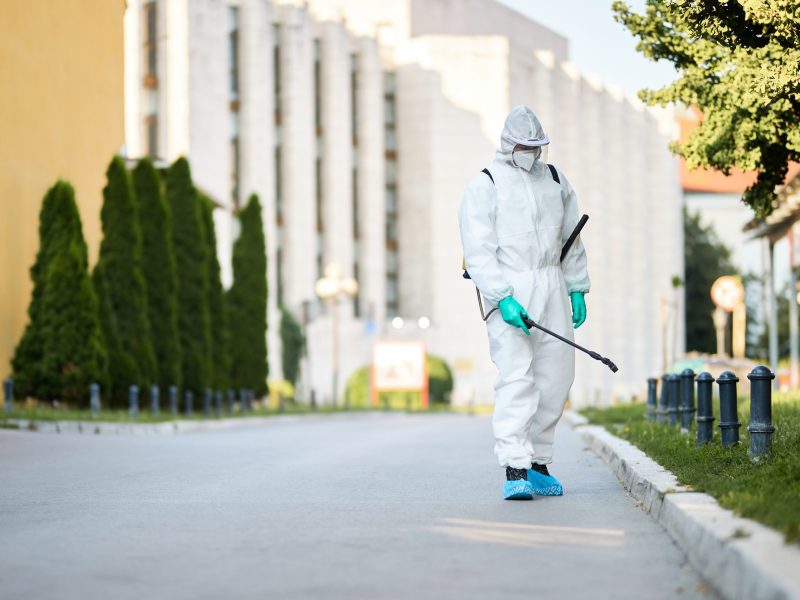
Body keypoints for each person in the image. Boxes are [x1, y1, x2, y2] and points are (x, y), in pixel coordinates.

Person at [458, 105, 590, 500]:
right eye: (524, 145)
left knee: (556, 376)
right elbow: (478, 250)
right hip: (509, 288)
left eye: (536, 146)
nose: (531, 153)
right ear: (508, 144)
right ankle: (515, 466)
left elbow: (571, 239)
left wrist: (577, 286)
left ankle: (538, 462)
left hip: (551, 283)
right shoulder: (486, 184)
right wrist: (502, 298)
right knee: (517, 376)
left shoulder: (554, 179)